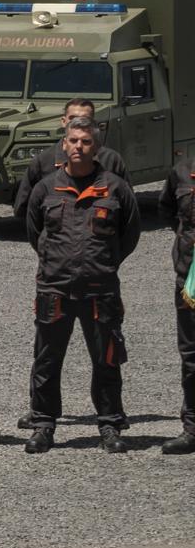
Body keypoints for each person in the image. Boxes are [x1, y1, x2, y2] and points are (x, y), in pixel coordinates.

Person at [24, 116, 141, 454]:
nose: (78, 146)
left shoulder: (114, 187)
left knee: (106, 359)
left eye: (85, 141)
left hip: (99, 290)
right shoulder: (46, 188)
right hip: (55, 289)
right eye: (73, 141)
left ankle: (109, 424)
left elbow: (129, 235)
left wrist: (103, 264)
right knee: (46, 360)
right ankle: (43, 424)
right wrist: (57, 263)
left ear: (96, 146)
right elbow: (35, 233)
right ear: (64, 144)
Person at [13, 96, 127, 221]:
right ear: (63, 121)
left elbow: (128, 209)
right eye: (72, 118)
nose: (77, 123)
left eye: (85, 119)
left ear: (93, 122)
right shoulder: (43, 161)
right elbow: (24, 210)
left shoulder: (111, 160)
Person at [162, 147, 195, 456]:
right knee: (191, 357)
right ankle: (192, 428)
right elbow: (170, 214)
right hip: (190, 280)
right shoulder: (182, 172)